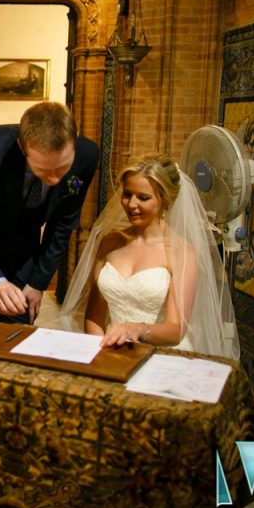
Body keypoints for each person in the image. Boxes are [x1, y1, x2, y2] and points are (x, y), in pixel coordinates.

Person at [59, 153, 240, 359]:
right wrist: (100, 354)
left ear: (165, 200)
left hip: (161, 355)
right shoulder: (109, 242)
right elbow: (94, 316)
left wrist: (138, 329)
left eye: (143, 198)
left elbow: (176, 328)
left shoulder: (181, 252)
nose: (131, 204)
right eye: (127, 194)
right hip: (111, 351)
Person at [0, 101, 99, 324]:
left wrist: (37, 283)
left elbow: (62, 225)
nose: (55, 179)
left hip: (23, 254)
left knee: (16, 336)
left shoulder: (87, 155)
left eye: (62, 168)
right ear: (22, 148)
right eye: (43, 170)